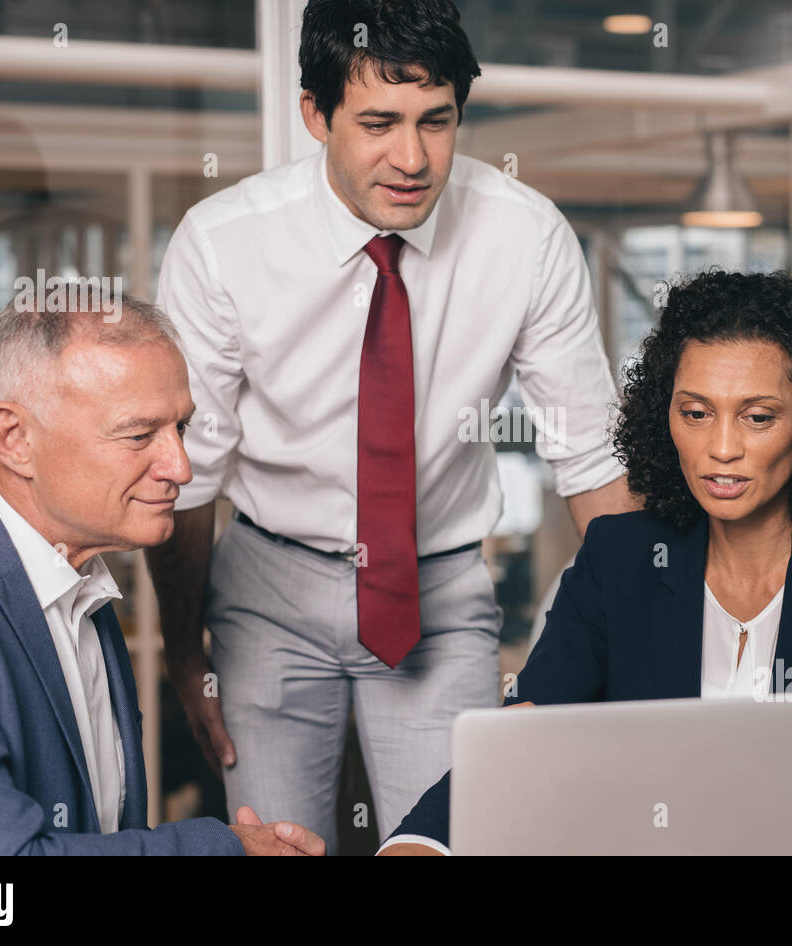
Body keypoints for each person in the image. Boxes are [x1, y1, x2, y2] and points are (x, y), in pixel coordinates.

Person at [148, 0, 641, 854]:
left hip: (439, 591)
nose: (412, 159)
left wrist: (645, 645)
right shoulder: (223, 245)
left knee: (454, 842)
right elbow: (190, 474)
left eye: (435, 122)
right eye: (378, 123)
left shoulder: (527, 238)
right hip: (267, 593)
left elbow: (591, 459)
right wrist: (185, 652)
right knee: (276, 848)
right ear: (316, 114)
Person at [381, 270, 792, 854]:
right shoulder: (620, 555)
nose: (721, 448)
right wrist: (420, 843)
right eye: (696, 413)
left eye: (757, 417)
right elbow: (525, 732)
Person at [0, 294, 324, 855]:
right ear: (15, 439)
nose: (180, 467)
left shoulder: (76, 568)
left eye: (181, 427)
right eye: (138, 435)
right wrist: (223, 850)